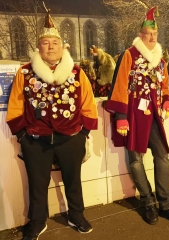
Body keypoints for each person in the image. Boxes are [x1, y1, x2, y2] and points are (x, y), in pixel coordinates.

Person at [6, 6, 98, 240]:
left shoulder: (76, 73)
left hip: (70, 137)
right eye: (45, 43)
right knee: (37, 183)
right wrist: (22, 136)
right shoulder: (25, 73)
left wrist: (83, 133)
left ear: (61, 46)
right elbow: (15, 106)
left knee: (73, 180)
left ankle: (76, 215)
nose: (50, 47)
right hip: (35, 140)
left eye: (54, 43)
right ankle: (37, 221)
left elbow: (88, 102)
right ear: (39, 47)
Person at [104, 6, 169, 225]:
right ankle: (148, 201)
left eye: (155, 34)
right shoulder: (128, 55)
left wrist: (167, 101)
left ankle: (166, 204)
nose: (152, 37)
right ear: (140, 35)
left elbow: (165, 86)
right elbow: (120, 84)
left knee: (162, 156)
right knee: (135, 160)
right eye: (148, 34)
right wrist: (120, 115)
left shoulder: (160, 60)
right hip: (132, 117)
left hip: (154, 119)